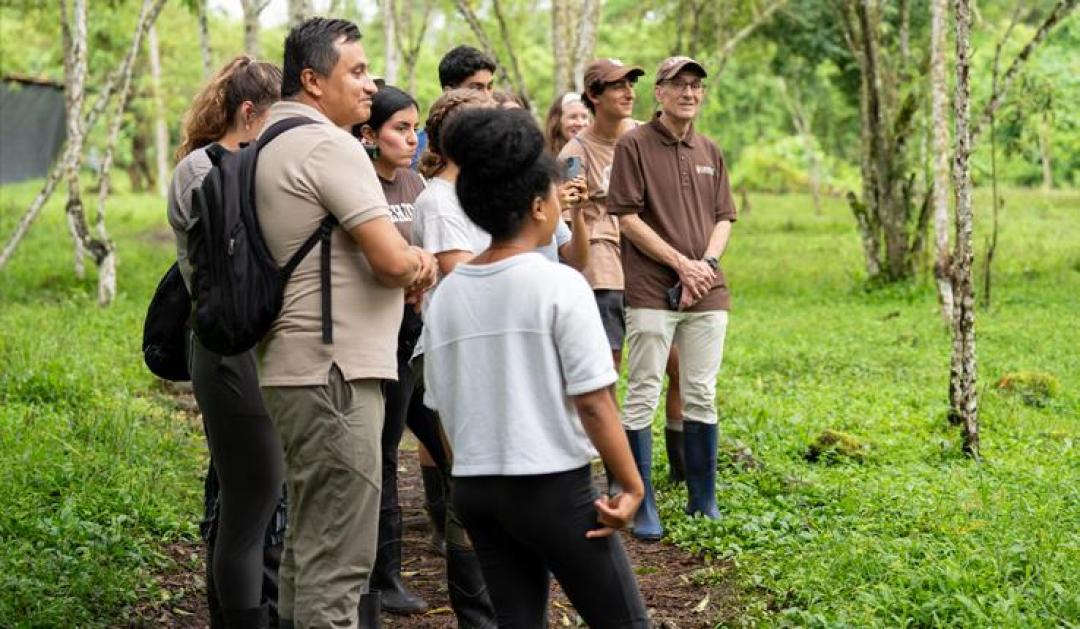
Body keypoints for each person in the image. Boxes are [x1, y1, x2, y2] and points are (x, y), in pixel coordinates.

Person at [423, 107, 649, 628]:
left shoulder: (449, 291)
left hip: (477, 490)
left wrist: (470, 475)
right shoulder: (557, 284)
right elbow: (593, 400)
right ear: (538, 206)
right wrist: (630, 484)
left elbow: (442, 405)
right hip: (550, 487)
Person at [254, 18, 436, 628]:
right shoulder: (330, 146)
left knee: (310, 551)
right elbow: (389, 261)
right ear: (312, 79)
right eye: (355, 71)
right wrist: (422, 261)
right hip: (336, 374)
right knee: (339, 569)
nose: (369, 84)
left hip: (293, 369)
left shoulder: (268, 139)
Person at [167, 56, 285, 629]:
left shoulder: (242, 161)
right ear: (248, 113)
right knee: (249, 504)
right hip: (228, 347)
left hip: (259, 351)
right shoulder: (202, 168)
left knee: (263, 498)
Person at [608, 56, 736, 539]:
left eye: (696, 85)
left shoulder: (710, 149)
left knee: (701, 391)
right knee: (642, 391)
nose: (689, 93)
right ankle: (642, 503)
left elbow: (724, 217)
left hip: (708, 290)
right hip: (649, 288)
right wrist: (679, 265)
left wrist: (704, 266)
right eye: (678, 85)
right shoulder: (634, 144)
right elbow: (626, 215)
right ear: (658, 93)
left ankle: (704, 500)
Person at [558, 61, 686, 542]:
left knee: (676, 362)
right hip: (606, 260)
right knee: (608, 370)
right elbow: (570, 214)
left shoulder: (647, 136)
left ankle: (681, 467)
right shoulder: (575, 151)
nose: (627, 92)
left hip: (651, 255)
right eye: (616, 86)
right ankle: (621, 476)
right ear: (594, 95)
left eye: (631, 83)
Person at [352, 85, 429, 615]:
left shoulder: (418, 183)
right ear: (368, 136)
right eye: (399, 128)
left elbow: (427, 252)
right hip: (372, 333)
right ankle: (378, 578)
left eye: (414, 128)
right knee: (378, 454)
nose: (411, 138)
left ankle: (397, 568)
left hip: (414, 333)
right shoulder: (357, 183)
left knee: (411, 445)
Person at [544, 91, 591, 157]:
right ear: (557, 122)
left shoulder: (598, 153)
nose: (580, 123)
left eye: (584, 117)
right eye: (573, 117)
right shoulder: (545, 157)